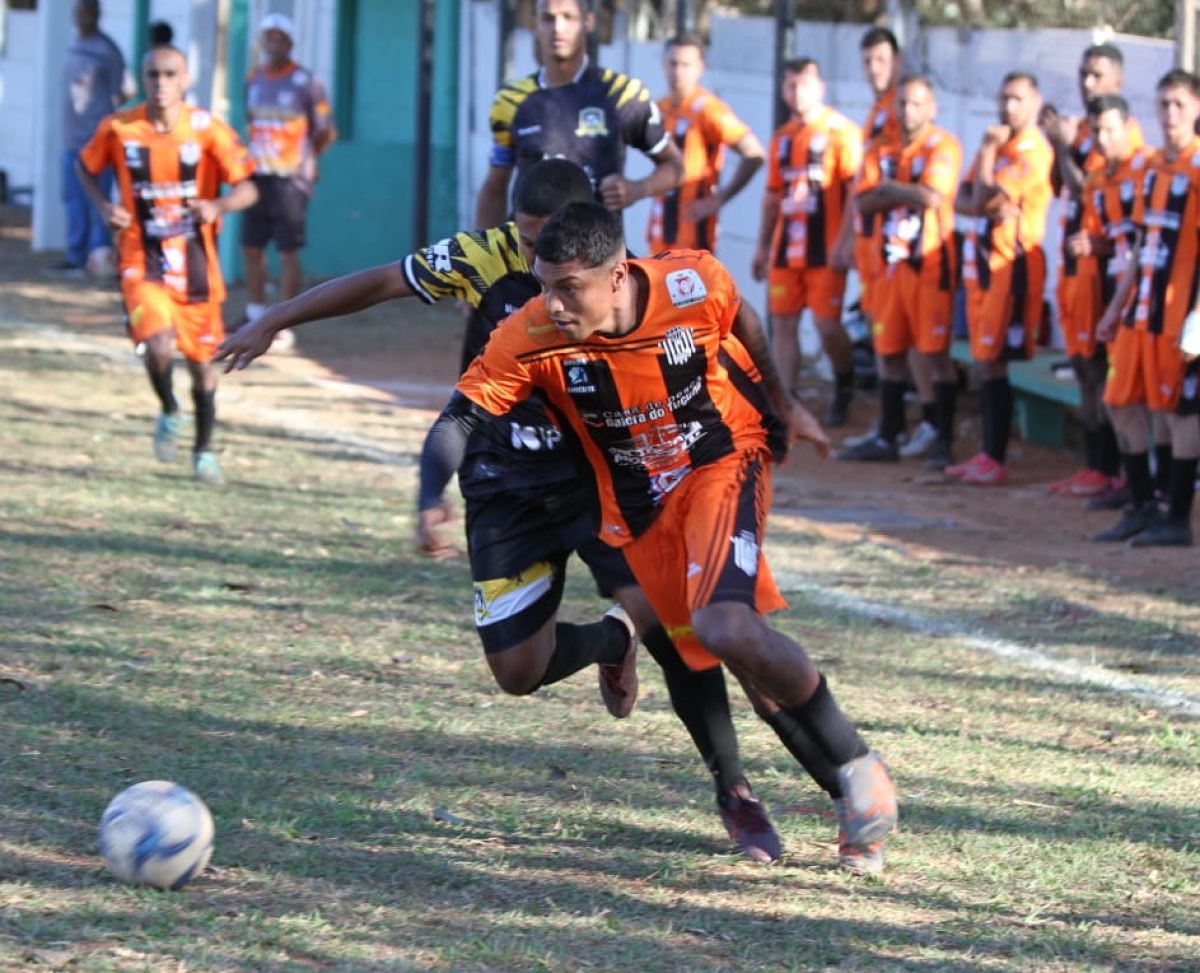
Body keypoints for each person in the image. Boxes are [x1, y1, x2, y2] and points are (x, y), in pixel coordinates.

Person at [215, 158, 787, 865]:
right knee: (518, 671)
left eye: (546, 239)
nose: (532, 255)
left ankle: (736, 794)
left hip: (600, 477)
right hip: (506, 480)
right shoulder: (480, 258)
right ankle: (613, 640)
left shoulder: (629, 278)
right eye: (522, 236)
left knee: (682, 629)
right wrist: (275, 316)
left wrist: (769, 418)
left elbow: (712, 337)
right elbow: (379, 283)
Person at [444, 200, 899, 873]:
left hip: (721, 461)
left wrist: (783, 402)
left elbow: (741, 316)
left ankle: (859, 772)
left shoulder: (691, 282)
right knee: (703, 653)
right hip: (636, 503)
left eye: (568, 286)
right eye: (543, 283)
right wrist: (430, 492)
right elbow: (464, 412)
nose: (553, 303)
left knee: (727, 630)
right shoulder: (532, 330)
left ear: (619, 274)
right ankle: (751, 795)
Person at [76, 45, 257, 484]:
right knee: (157, 345)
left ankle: (203, 450)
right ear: (143, 79)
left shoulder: (207, 130)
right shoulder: (119, 127)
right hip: (142, 259)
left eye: (169, 74)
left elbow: (248, 188)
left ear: (186, 78)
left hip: (197, 267)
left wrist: (218, 204)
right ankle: (170, 408)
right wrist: (104, 206)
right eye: (153, 74)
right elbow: (85, 167)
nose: (161, 83)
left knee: (204, 367)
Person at [474, 0, 682, 228]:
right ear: (535, 25)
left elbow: (675, 166)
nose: (557, 28)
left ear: (588, 22)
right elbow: (495, 188)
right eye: (547, 18)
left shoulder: (621, 94)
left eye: (568, 17)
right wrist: (483, 258)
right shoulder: (510, 101)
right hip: (528, 259)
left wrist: (636, 189)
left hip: (596, 258)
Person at [1093, 70, 1200, 547]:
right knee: (1119, 402)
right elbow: (1141, 243)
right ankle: (1140, 505)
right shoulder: (1154, 167)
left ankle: (1176, 518)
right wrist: (1117, 304)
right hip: (1141, 312)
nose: (1170, 114)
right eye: (1163, 104)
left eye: (1179, 104)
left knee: (1179, 413)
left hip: (1180, 317)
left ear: (1196, 109)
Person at [837, 74, 963, 469]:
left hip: (929, 267)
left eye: (916, 104)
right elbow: (862, 200)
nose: (908, 112)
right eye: (902, 104)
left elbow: (931, 196)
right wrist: (901, 190)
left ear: (932, 108)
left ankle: (942, 438)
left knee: (934, 355)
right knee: (888, 352)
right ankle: (889, 434)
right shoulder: (880, 147)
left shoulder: (944, 145)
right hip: (886, 268)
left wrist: (888, 189)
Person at [1040, 44, 1143, 498]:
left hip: (1109, 276)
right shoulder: (1082, 131)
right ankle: (1097, 467)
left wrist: (1063, 145)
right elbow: (1066, 188)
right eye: (1083, 74)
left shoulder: (1122, 142)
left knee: (1107, 374)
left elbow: (1092, 196)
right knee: (1083, 366)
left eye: (1097, 75)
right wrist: (1061, 146)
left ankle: (1120, 470)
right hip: (1074, 268)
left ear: (1118, 81)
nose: (1087, 84)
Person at [949, 71, 1054, 485]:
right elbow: (963, 199)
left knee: (994, 362)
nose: (1008, 107)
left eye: (1017, 99)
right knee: (985, 362)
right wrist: (984, 191)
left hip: (1012, 271)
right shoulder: (997, 147)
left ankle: (996, 456)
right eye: (1004, 98)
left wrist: (988, 155)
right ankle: (988, 454)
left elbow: (984, 197)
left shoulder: (1030, 151)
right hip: (983, 268)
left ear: (1034, 102)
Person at [753, 57, 862, 427]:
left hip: (825, 249)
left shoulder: (841, 132)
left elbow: (854, 193)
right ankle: (787, 401)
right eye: (790, 85)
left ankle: (845, 382)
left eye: (803, 85)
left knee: (826, 326)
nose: (796, 93)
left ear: (820, 88)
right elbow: (771, 197)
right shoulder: (782, 138)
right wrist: (762, 246)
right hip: (786, 248)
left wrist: (845, 242)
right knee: (782, 323)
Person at [241, 12, 337, 341]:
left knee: (287, 250)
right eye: (269, 36)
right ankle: (254, 311)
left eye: (280, 38)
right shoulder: (253, 78)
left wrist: (308, 159)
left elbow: (325, 129)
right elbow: (251, 122)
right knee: (251, 246)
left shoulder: (307, 82)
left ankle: (284, 321)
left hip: (290, 179)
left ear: (291, 43)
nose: (274, 43)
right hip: (257, 175)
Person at [645, 34, 764, 255]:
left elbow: (754, 153)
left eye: (686, 65)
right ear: (663, 65)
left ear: (700, 68)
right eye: (673, 63)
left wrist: (718, 199)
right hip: (661, 226)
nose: (678, 71)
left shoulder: (708, 109)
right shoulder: (659, 108)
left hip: (694, 231)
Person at [55, 0, 128, 277]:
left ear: (97, 14)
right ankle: (75, 256)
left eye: (86, 12)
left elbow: (121, 91)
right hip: (71, 139)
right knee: (72, 198)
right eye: (77, 12)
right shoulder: (75, 48)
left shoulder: (106, 50)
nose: (80, 17)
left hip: (95, 142)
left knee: (97, 200)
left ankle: (98, 258)